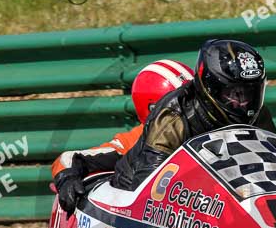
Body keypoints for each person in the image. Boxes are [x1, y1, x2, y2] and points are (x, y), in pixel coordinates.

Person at [112, 39, 276, 191]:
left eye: (250, 93)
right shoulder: (174, 116)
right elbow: (149, 188)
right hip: (136, 192)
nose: (242, 103)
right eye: (234, 94)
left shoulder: (257, 113)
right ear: (211, 88)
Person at [52, 59, 194, 216]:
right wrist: (67, 178)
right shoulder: (136, 139)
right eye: (185, 102)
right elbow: (71, 158)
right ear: (157, 108)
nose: (193, 106)